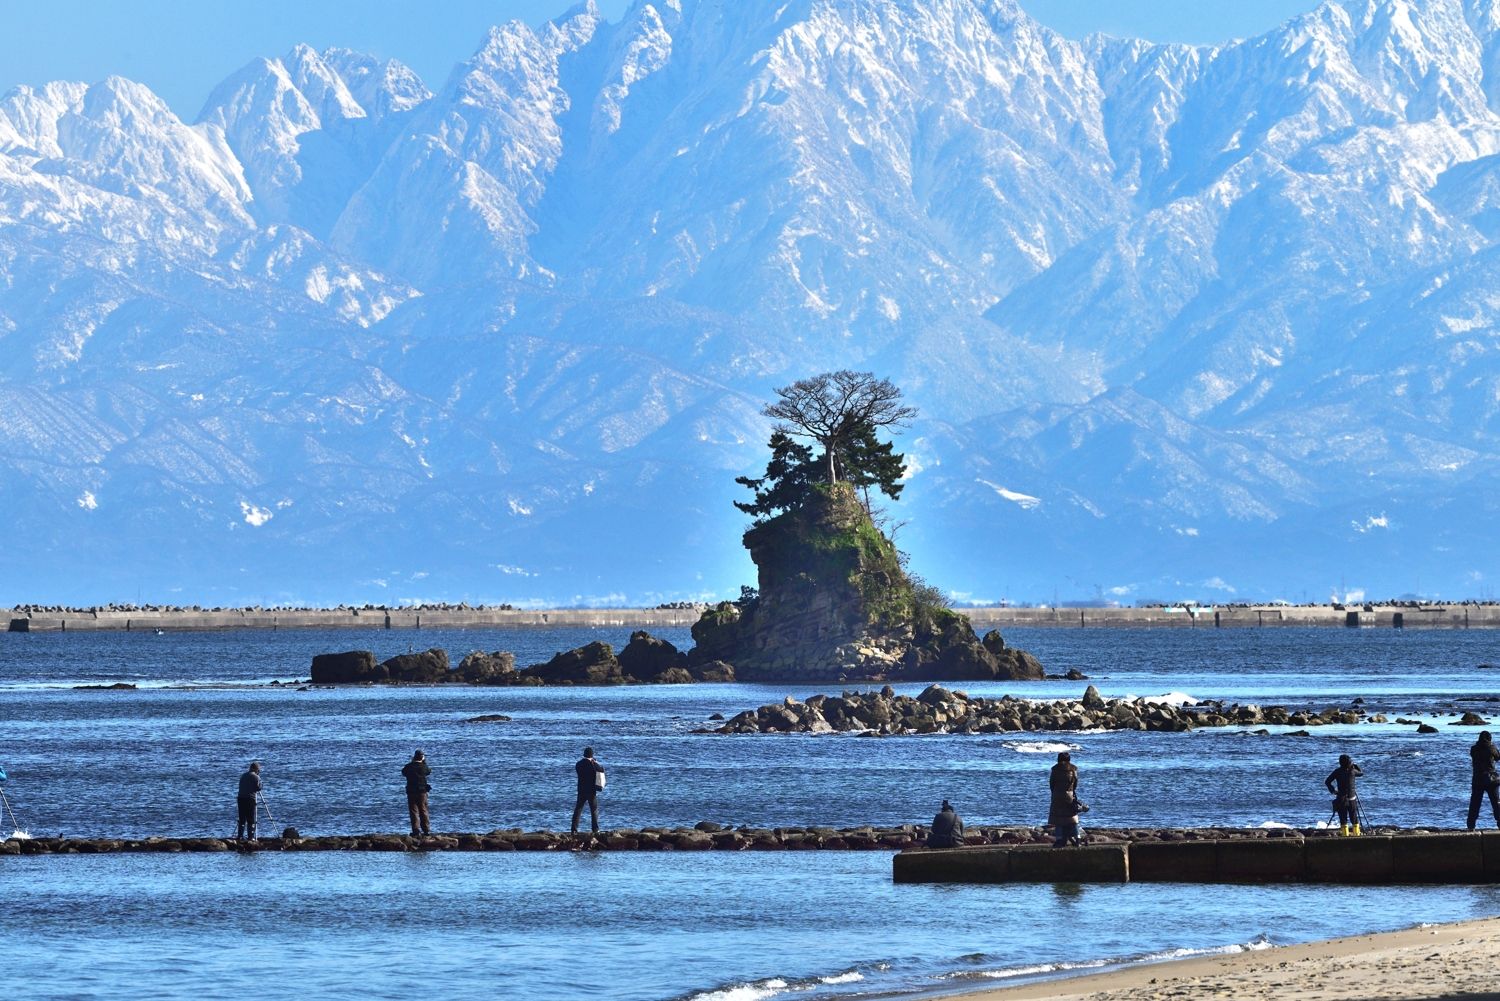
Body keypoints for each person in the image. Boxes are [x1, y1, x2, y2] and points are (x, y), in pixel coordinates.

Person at [1049, 751, 1084, 848]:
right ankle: (1078, 839)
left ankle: (1060, 840)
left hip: (1057, 795)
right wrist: (1070, 791)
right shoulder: (1073, 769)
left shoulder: (1055, 769)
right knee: (1072, 818)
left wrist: (1055, 792)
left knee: (1058, 818)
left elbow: (1052, 783)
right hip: (1069, 795)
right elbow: (1075, 783)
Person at [1325, 753, 1363, 836]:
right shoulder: (1352, 771)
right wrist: (1355, 765)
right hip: (1352, 798)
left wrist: (1333, 791)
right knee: (1354, 818)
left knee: (1343, 819)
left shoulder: (1337, 771)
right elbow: (1361, 773)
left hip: (1341, 799)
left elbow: (1327, 782)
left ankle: (1345, 836)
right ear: (1349, 763)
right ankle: (1356, 835)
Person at [1468, 731, 1500, 830]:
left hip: (1477, 779)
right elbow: (1498, 757)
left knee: (1475, 803)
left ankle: (1471, 826)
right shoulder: (1492, 748)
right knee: (1496, 803)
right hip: (1492, 780)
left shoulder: (1474, 749)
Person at [571, 747, 605, 835]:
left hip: (581, 790)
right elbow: (601, 770)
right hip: (591, 791)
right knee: (593, 810)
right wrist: (595, 762)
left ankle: (574, 829)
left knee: (578, 809)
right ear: (592, 755)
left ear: (584, 754)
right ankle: (595, 829)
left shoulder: (578, 764)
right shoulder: (593, 764)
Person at [402, 750, 432, 836]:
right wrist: (423, 762)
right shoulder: (424, 767)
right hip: (422, 791)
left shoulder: (408, 767)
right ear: (422, 757)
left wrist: (412, 762)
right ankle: (426, 830)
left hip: (411, 791)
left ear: (414, 757)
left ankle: (416, 830)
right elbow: (429, 771)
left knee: (413, 811)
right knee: (423, 810)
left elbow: (403, 772)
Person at [236, 762, 261, 842]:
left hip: (240, 798)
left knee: (242, 818)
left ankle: (240, 836)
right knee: (251, 818)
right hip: (250, 799)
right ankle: (251, 837)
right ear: (256, 769)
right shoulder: (256, 777)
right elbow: (259, 788)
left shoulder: (243, 775)